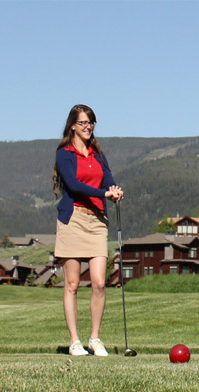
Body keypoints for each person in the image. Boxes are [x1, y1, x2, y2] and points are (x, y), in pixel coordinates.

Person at [53, 104, 124, 357]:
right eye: (83, 123)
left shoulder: (97, 154)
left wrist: (114, 191)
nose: (88, 127)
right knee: (72, 284)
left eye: (91, 123)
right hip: (73, 219)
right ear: (73, 125)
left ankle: (95, 339)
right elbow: (73, 185)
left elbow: (108, 179)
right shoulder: (64, 153)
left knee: (99, 283)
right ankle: (75, 341)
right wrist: (103, 193)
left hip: (97, 222)